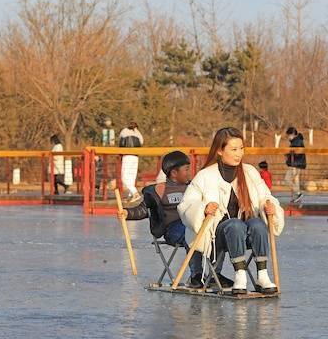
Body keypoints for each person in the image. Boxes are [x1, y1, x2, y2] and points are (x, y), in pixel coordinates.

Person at [178, 127, 284, 295]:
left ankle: (262, 275)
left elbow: (265, 195)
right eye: (233, 149)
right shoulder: (205, 175)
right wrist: (203, 209)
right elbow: (186, 205)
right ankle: (240, 275)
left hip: (245, 235)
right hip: (216, 236)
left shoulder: (249, 172)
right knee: (235, 225)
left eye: (241, 149)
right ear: (220, 150)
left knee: (257, 223)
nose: (238, 154)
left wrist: (268, 205)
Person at [118, 151, 204, 288]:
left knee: (211, 232)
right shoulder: (159, 190)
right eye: (186, 169)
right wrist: (127, 213)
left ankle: (213, 274)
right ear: (174, 173)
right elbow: (144, 210)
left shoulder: (193, 187)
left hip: (194, 225)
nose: (189, 172)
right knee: (191, 232)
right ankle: (197, 275)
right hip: (173, 230)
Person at [119, 122, 144, 203]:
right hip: (135, 157)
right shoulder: (138, 133)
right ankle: (130, 197)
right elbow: (141, 143)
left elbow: (121, 144)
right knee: (132, 178)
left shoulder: (124, 131)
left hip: (127, 156)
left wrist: (120, 155)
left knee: (124, 178)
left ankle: (135, 193)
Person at [284, 127, 306, 203]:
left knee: (287, 179)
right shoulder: (298, 141)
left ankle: (298, 193)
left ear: (293, 134)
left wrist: (288, 154)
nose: (288, 138)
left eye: (288, 136)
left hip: (295, 164)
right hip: (298, 163)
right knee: (296, 181)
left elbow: (296, 153)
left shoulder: (296, 142)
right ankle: (297, 197)